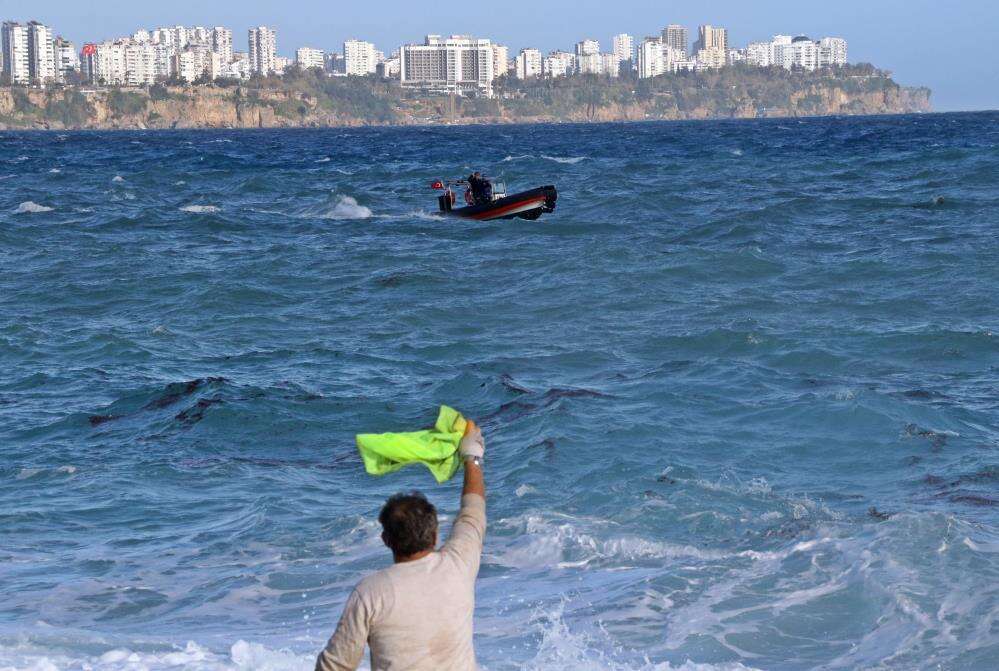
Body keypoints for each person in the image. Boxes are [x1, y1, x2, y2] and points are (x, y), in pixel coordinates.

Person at [315, 421, 487, 671]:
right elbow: (473, 511)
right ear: (435, 534)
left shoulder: (371, 593)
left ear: (386, 540)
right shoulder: (459, 565)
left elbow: (335, 666)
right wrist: (472, 455)